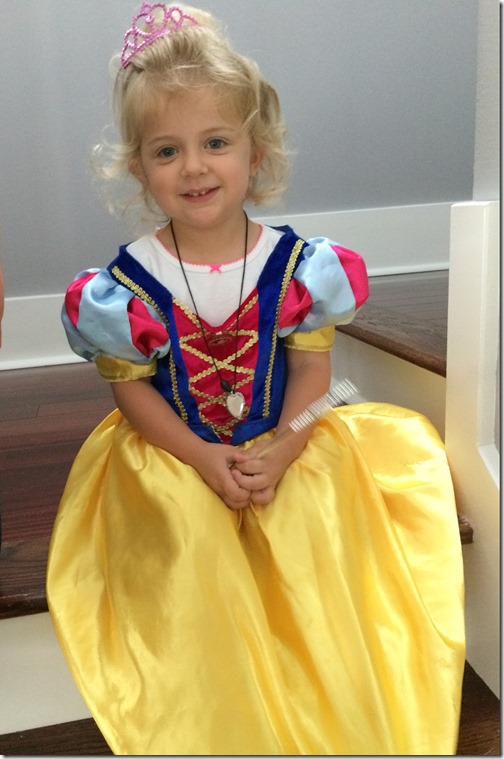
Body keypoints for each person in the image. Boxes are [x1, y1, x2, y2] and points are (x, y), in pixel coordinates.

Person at [47, 4, 465, 755]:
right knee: (186, 527)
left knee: (316, 530)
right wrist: (202, 457)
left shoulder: (300, 266)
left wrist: (283, 446)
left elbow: (312, 369)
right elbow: (132, 391)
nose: (194, 167)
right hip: (177, 449)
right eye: (167, 150)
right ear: (139, 168)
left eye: (216, 142)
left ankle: (323, 683)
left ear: (256, 151)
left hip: (283, 436)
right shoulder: (125, 286)